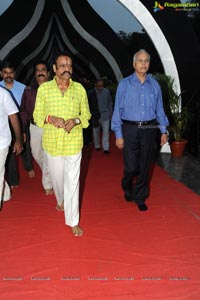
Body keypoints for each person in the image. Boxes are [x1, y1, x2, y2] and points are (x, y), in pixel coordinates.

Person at [33, 52, 91, 236]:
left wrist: (75, 120)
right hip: (52, 144)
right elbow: (37, 116)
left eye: (70, 65)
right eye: (63, 65)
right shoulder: (44, 90)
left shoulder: (80, 89)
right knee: (58, 180)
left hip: (73, 143)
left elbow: (87, 116)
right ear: (55, 69)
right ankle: (61, 199)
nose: (67, 69)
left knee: (73, 182)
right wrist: (51, 118)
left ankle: (72, 220)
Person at [111, 49, 169, 211]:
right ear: (134, 64)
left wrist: (163, 131)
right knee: (131, 167)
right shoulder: (124, 84)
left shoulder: (154, 85)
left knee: (145, 165)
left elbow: (159, 109)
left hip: (149, 129)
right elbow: (117, 110)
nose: (144, 64)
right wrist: (118, 134)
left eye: (147, 61)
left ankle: (140, 196)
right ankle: (127, 184)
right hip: (129, 129)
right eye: (140, 61)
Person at [20, 60, 53, 195]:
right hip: (34, 127)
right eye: (38, 70)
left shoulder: (55, 88)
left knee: (48, 154)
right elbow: (23, 112)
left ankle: (48, 184)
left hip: (51, 127)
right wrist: (23, 130)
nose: (40, 72)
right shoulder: (28, 91)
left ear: (48, 73)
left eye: (43, 70)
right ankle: (51, 172)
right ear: (35, 74)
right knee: (37, 154)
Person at [0, 60, 35, 188]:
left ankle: (28, 167)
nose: (8, 75)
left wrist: (23, 131)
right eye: (5, 73)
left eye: (11, 72)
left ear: (14, 73)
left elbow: (25, 109)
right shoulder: (0, 88)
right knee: (9, 152)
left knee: (24, 149)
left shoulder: (23, 88)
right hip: (4, 124)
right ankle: (13, 181)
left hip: (20, 121)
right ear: (1, 74)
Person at [0, 86, 23, 209]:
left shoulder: (3, 94)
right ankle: (6, 193)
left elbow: (13, 117)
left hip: (1, 141)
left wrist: (18, 140)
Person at [88, 78, 113, 153]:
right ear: (95, 85)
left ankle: (106, 148)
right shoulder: (91, 93)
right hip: (95, 115)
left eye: (102, 85)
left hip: (105, 115)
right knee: (96, 131)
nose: (100, 87)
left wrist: (110, 113)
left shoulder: (107, 92)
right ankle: (97, 145)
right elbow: (88, 105)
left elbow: (110, 103)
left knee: (106, 132)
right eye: (99, 86)